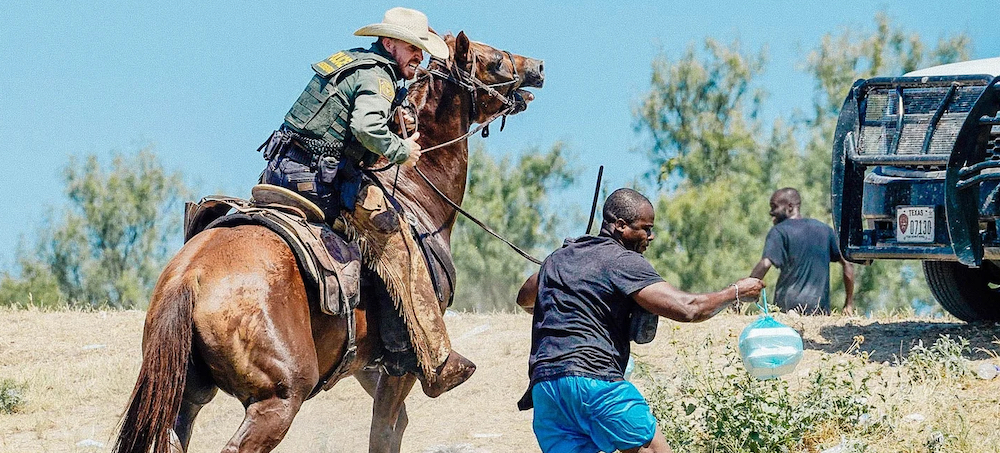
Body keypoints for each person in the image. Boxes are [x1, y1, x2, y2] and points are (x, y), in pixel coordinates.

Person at [259, 7, 474, 398]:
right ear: (389, 43)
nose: (419, 57)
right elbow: (365, 126)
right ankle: (436, 359)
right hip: (321, 183)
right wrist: (400, 150)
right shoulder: (379, 77)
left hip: (280, 173)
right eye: (413, 48)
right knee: (401, 245)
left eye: (422, 50)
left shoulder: (354, 64)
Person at [515, 188, 765, 453]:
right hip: (595, 380)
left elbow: (525, 298)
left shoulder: (557, 258)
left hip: (546, 391)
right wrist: (735, 292)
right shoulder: (624, 260)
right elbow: (688, 309)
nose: (651, 236)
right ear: (621, 226)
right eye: (646, 228)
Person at [750, 187, 855, 315]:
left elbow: (765, 264)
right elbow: (847, 263)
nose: (771, 213)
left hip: (787, 308)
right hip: (819, 311)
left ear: (790, 207)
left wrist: (743, 291)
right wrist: (848, 303)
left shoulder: (779, 231)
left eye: (774, 207)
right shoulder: (824, 230)